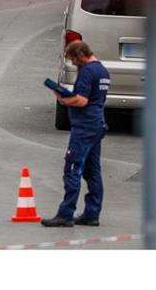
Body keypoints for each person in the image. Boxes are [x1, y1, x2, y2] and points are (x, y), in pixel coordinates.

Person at [42, 40, 110, 227]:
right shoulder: (102, 70)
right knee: (92, 172)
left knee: (72, 168)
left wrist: (64, 99)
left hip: (84, 127)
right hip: (97, 124)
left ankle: (65, 214)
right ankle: (92, 213)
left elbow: (81, 101)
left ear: (80, 55)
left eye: (73, 59)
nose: (72, 63)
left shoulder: (88, 71)